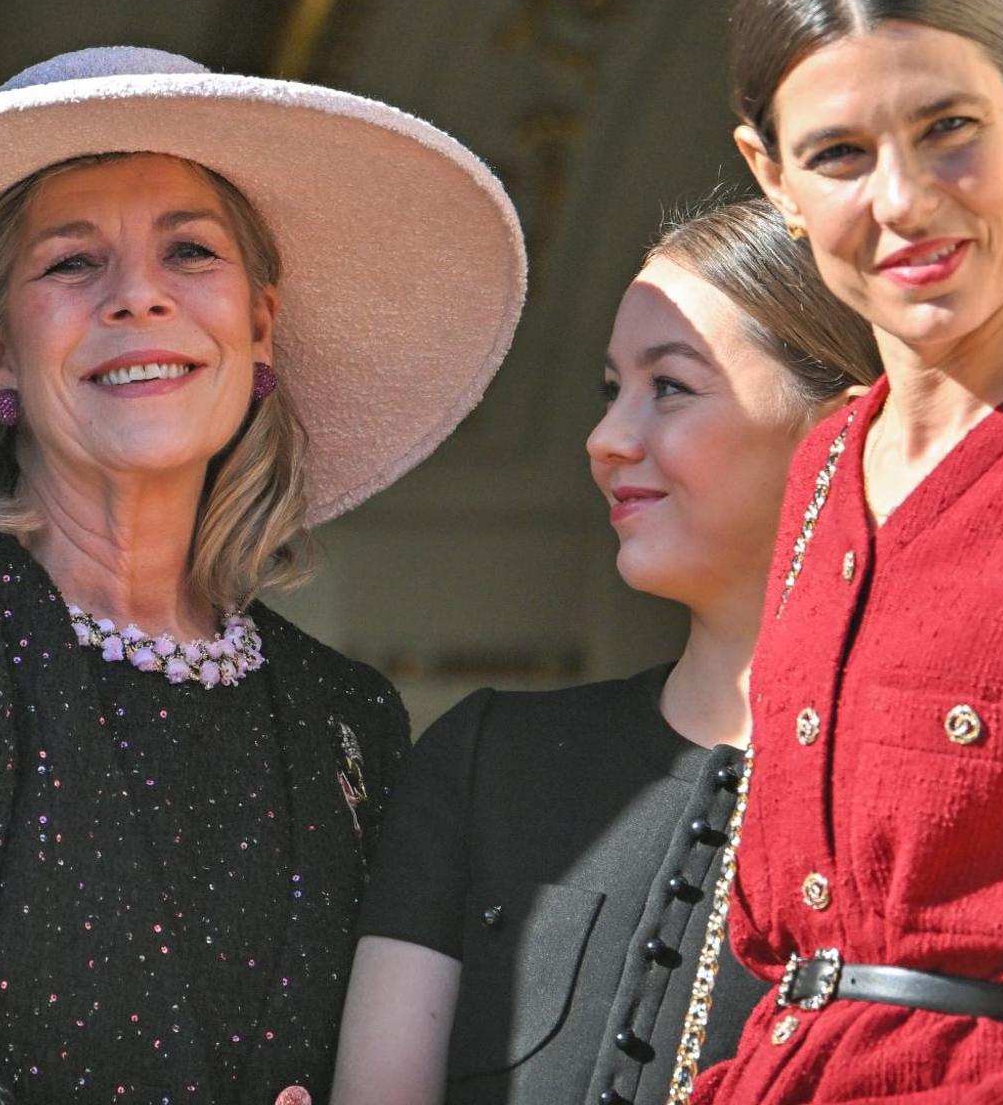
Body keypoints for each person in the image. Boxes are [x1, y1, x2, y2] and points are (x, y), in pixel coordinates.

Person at [0, 47, 526, 1105]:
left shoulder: (349, 719)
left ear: (259, 324)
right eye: (70, 263)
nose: (138, 297)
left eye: (190, 251)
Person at [687, 0, 1003, 1105]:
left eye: (949, 127)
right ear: (770, 178)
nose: (902, 201)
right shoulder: (826, 465)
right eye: (838, 153)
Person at [329, 197, 880, 1105]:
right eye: (610, 390)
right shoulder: (482, 762)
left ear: (841, 428)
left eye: (669, 386)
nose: (604, 440)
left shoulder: (945, 794)